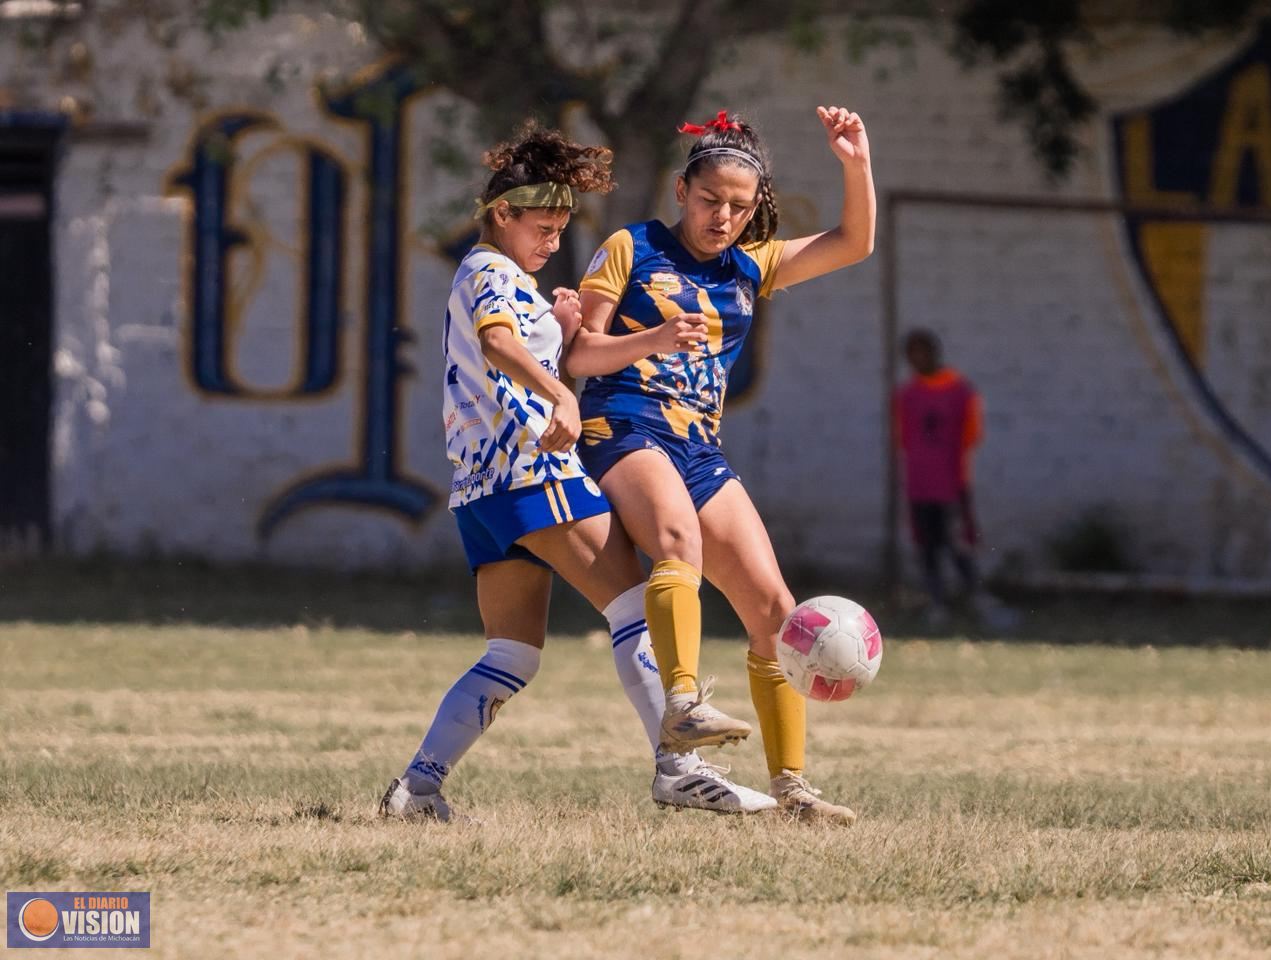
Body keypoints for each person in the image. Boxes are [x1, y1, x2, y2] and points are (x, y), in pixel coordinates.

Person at [379, 124, 774, 821]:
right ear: (501, 214)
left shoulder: (512, 281)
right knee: (636, 608)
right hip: (534, 472)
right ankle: (678, 768)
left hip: (481, 493)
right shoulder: (489, 270)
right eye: (541, 227)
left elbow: (519, 344)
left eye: (562, 229)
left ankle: (418, 788)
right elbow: (499, 345)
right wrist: (561, 390)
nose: (553, 242)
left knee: (513, 654)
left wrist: (561, 331)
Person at [565, 107, 876, 822]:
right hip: (623, 424)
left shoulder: (751, 265)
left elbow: (856, 242)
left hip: (698, 449)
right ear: (682, 190)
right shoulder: (630, 246)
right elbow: (579, 353)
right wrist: (656, 338)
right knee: (679, 542)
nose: (723, 217)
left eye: (739, 207)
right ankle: (683, 705)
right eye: (709, 201)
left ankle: (793, 788)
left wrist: (854, 162)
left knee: (775, 609)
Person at [894, 329, 1015, 630]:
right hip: (919, 486)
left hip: (951, 485)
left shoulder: (961, 391)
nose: (917, 359)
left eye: (922, 351)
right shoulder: (906, 395)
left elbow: (972, 436)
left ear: (935, 352)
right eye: (912, 353)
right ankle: (937, 604)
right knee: (927, 549)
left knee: (959, 545)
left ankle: (976, 599)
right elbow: (903, 439)